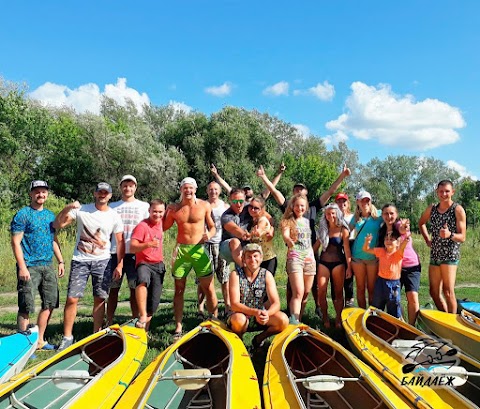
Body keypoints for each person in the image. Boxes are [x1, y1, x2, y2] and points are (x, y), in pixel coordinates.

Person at [257, 163, 351, 317]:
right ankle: (292, 314)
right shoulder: (289, 207)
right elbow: (274, 192)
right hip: (295, 255)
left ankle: (313, 310)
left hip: (312, 253)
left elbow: (331, 191)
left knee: (309, 288)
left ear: (306, 193)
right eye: (296, 190)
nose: (298, 191)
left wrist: (343, 175)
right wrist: (264, 177)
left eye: (301, 189)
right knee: (294, 288)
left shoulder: (313, 207)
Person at [54, 182, 124, 351]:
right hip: (80, 260)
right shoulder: (81, 210)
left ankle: (96, 335)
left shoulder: (114, 215)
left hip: (104, 261)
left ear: (109, 195)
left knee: (100, 299)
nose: (102, 194)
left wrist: (120, 264)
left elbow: (120, 241)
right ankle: (67, 337)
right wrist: (68, 207)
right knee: (72, 298)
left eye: (105, 192)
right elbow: (59, 225)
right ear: (94, 193)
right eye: (99, 192)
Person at [10, 180, 65, 351]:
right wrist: (22, 267)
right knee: (26, 305)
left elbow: (53, 240)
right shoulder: (23, 214)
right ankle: (23, 347)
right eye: (37, 192)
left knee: (49, 303)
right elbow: (15, 242)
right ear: (31, 194)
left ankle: (39, 340)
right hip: (29, 266)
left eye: (44, 192)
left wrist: (61, 260)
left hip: (47, 265)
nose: (41, 195)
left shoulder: (50, 216)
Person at [163, 177, 218, 340]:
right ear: (181, 189)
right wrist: (164, 212)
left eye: (191, 188)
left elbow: (213, 227)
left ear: (195, 189)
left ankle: (213, 322)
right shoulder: (174, 208)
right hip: (181, 250)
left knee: (209, 287)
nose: (188, 191)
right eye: (185, 188)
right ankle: (178, 327)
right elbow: (164, 227)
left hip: (200, 250)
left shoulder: (204, 205)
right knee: (179, 289)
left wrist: (210, 234)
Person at [107, 175, 149, 326]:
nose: (128, 188)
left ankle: (135, 320)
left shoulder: (144, 206)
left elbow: (148, 228)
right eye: (125, 185)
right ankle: (109, 322)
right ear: (120, 188)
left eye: (131, 186)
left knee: (134, 289)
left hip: (135, 253)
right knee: (113, 289)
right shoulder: (112, 206)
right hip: (114, 252)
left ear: (135, 188)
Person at [418, 180, 466, 313]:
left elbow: (462, 237)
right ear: (436, 192)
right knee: (433, 292)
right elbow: (421, 223)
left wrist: (450, 235)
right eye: (441, 191)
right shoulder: (432, 209)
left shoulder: (457, 209)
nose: (444, 194)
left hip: (450, 255)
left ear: (452, 192)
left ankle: (453, 325)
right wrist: (427, 239)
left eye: (447, 191)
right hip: (435, 254)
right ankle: (446, 318)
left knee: (448, 291)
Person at [228, 243, 288, 349]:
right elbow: (234, 305)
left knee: (283, 320)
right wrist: (255, 312)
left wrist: (267, 314)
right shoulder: (235, 274)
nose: (252, 259)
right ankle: (239, 344)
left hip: (260, 315)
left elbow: (276, 303)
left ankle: (259, 339)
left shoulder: (267, 275)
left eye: (255, 256)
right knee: (239, 320)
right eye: (249, 256)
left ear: (261, 258)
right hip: (240, 315)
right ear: (243, 259)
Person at [379, 204, 421, 325]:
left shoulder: (398, 226)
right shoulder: (382, 231)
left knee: (412, 297)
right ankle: (401, 324)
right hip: (394, 269)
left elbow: (403, 229)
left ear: (396, 214)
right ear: (382, 215)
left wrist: (405, 227)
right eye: (386, 213)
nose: (389, 216)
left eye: (392, 213)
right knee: (393, 299)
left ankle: (412, 326)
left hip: (411, 266)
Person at [129, 200, 166, 331]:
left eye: (160, 212)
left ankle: (144, 330)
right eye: (154, 211)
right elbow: (132, 247)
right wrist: (148, 244)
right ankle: (142, 315)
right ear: (149, 211)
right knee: (142, 281)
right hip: (144, 263)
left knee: (153, 303)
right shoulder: (142, 226)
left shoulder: (162, 223)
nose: (157, 214)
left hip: (158, 264)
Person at [196, 181, 230, 319]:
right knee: (203, 279)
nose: (213, 192)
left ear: (220, 191)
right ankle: (200, 307)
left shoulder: (225, 206)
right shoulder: (201, 205)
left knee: (224, 278)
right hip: (205, 244)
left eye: (216, 189)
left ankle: (227, 307)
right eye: (211, 189)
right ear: (207, 191)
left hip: (221, 244)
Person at [281, 194, 316, 323]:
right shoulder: (287, 220)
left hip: (309, 259)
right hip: (295, 258)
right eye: (297, 205)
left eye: (302, 205)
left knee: (306, 293)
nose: (299, 208)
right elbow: (285, 234)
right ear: (292, 206)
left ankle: (298, 320)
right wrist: (288, 240)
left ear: (306, 207)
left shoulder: (307, 221)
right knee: (298, 292)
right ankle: (294, 323)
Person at [315, 203, 351, 328]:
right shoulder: (323, 229)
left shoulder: (343, 229)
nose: (330, 216)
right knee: (321, 291)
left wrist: (349, 268)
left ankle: (338, 318)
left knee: (338, 292)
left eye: (333, 213)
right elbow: (315, 247)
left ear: (337, 214)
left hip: (339, 264)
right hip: (323, 263)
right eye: (328, 213)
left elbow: (347, 250)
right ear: (325, 215)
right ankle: (325, 318)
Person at [363, 229, 410, 319]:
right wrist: (367, 241)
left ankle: (396, 322)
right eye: (386, 239)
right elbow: (366, 249)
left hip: (394, 284)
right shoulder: (381, 251)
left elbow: (402, 247)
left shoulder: (398, 253)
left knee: (393, 303)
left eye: (391, 239)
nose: (388, 241)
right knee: (377, 302)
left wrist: (405, 241)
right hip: (381, 282)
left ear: (397, 243)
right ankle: (375, 321)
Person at [350, 190, 383, 309]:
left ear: (370, 201)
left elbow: (392, 221)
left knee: (372, 288)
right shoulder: (355, 218)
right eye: (362, 200)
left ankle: (372, 315)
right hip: (357, 257)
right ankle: (362, 313)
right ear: (357, 202)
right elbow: (344, 232)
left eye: (367, 200)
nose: (365, 203)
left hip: (373, 257)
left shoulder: (378, 215)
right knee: (360, 288)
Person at [219, 188, 253, 267]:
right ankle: (245, 269)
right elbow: (235, 230)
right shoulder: (226, 216)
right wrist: (247, 235)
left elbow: (264, 215)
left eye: (241, 201)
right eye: (235, 202)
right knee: (235, 242)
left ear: (245, 199)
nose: (238, 204)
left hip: (245, 245)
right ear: (230, 201)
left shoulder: (251, 208)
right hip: (227, 247)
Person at [335, 192, 355, 307]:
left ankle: (349, 302)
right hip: (338, 246)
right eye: (339, 201)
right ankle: (339, 303)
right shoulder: (333, 217)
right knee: (339, 276)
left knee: (349, 275)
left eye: (344, 201)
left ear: (348, 203)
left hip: (352, 244)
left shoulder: (353, 217)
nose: (341, 203)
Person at [248, 196, 277, 276]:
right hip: (256, 260)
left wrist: (257, 232)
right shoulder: (252, 221)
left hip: (268, 259)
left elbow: (259, 231)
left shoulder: (262, 219)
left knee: (267, 286)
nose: (252, 210)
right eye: (250, 207)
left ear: (262, 209)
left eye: (256, 208)